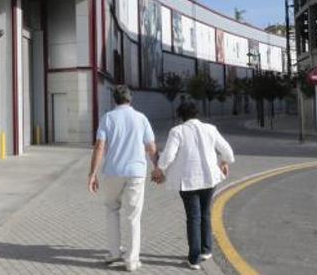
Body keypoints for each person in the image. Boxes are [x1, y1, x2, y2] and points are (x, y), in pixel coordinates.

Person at [155, 101, 235, 271]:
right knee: (205, 213)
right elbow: (227, 150)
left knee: (193, 217)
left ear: (181, 116)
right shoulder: (210, 129)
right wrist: (224, 162)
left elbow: (168, 155)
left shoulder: (177, 131)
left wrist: (159, 169)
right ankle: (206, 250)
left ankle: (194, 259)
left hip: (188, 181)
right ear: (196, 114)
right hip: (209, 178)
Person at [89, 85, 158, 272]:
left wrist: (92, 174)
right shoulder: (141, 118)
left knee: (112, 210)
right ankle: (132, 261)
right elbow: (151, 148)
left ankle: (113, 253)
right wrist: (158, 167)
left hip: (113, 172)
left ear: (114, 100)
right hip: (136, 173)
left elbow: (99, 147)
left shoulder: (107, 118)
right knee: (133, 217)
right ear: (131, 99)